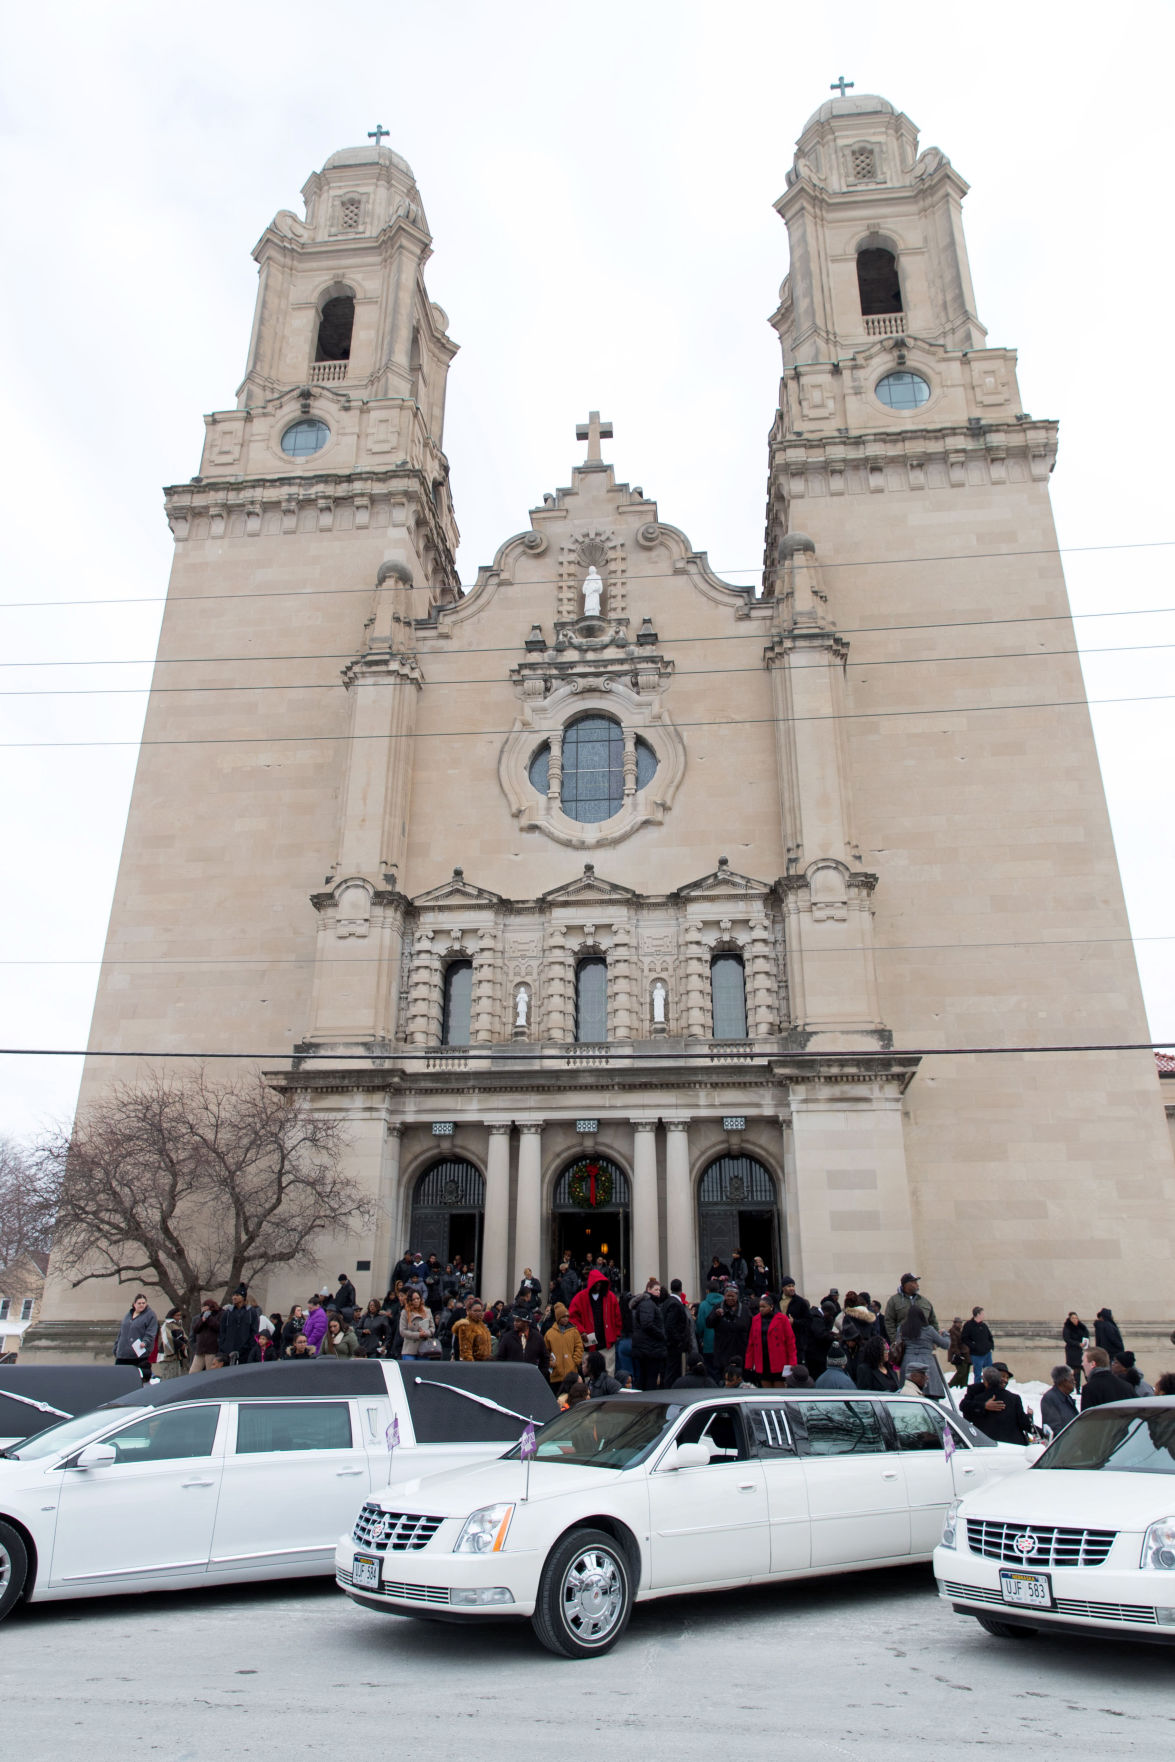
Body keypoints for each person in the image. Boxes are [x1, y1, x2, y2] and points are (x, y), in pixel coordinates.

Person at [568, 1267, 623, 1376]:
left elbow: (617, 1317)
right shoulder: (580, 1298)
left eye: (600, 1283)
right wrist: (582, 1331)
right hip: (589, 1344)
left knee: (608, 1373)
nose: (598, 1286)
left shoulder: (610, 1297)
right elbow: (573, 1317)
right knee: (590, 1374)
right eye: (596, 1283)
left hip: (606, 1344)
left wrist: (616, 1334)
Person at [961, 1366, 1031, 1444]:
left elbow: (967, 1417)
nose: (1005, 1380)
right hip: (1011, 1445)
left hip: (986, 1444)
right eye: (1003, 1376)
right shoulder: (976, 1391)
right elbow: (964, 1406)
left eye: (1007, 1378)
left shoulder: (979, 1398)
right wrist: (984, 1406)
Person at [743, 1295, 797, 1388]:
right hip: (762, 1361)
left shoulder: (782, 1319)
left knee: (779, 1388)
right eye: (760, 1307)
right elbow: (751, 1343)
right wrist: (749, 1364)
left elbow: (790, 1342)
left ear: (771, 1307)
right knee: (766, 1390)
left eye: (764, 1307)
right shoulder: (755, 1319)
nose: (761, 1309)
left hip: (779, 1360)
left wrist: (792, 1362)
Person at [899, 1305, 951, 1392]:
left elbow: (899, 1344)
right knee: (930, 1393)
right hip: (927, 1362)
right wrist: (945, 1334)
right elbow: (945, 1344)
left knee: (908, 1392)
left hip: (908, 1362)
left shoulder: (901, 1329)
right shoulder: (929, 1330)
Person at [630, 1278, 668, 1390]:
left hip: (648, 1348)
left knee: (645, 1378)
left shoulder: (648, 1304)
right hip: (650, 1349)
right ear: (648, 1289)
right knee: (649, 1379)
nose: (658, 1292)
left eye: (659, 1290)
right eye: (656, 1289)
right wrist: (662, 1335)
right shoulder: (648, 1303)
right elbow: (647, 1324)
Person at [114, 1294, 159, 1383]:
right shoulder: (128, 1315)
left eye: (143, 1303)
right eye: (139, 1303)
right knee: (119, 1378)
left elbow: (151, 1332)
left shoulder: (150, 1315)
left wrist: (145, 1342)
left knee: (136, 1379)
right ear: (134, 1304)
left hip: (138, 1354)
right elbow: (121, 1333)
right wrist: (116, 1347)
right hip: (123, 1353)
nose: (141, 1305)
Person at [884, 1273, 938, 1344]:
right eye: (914, 1282)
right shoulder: (894, 1300)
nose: (917, 1285)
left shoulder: (924, 1301)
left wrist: (934, 1342)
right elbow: (889, 1321)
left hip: (924, 1344)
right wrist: (895, 1340)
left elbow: (933, 1321)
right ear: (906, 1284)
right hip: (904, 1344)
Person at [711, 1285, 750, 1381]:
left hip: (741, 1350)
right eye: (728, 1296)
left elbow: (750, 1328)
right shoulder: (718, 1307)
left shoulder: (744, 1310)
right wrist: (716, 1315)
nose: (730, 1298)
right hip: (723, 1350)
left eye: (732, 1296)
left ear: (737, 1297)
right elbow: (709, 1323)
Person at [663, 1279, 695, 1385]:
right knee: (673, 1372)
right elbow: (670, 1325)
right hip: (674, 1345)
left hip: (672, 1344)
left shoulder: (667, 1302)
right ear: (681, 1289)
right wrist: (679, 1340)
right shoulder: (675, 1304)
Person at [544, 1304, 585, 1388]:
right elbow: (545, 1351)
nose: (566, 1319)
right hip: (556, 1375)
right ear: (558, 1318)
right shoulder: (549, 1334)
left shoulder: (574, 1331)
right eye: (563, 1317)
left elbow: (579, 1347)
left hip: (572, 1374)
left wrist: (575, 1361)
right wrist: (551, 1362)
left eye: (567, 1316)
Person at [217, 1286, 259, 1366]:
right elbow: (222, 1331)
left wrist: (249, 1347)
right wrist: (223, 1347)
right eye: (233, 1295)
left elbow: (254, 1331)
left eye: (237, 1295)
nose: (234, 1297)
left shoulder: (251, 1312)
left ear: (243, 1297)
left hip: (245, 1352)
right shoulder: (228, 1312)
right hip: (228, 1351)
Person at [696, 1279, 726, 1379]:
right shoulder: (725, 1302)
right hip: (724, 1344)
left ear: (707, 1291)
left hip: (708, 1344)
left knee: (711, 1372)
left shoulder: (703, 1305)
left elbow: (700, 1324)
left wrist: (700, 1338)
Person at [779, 1277, 812, 1363]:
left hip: (796, 1341)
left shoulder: (800, 1302)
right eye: (789, 1286)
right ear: (783, 1288)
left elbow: (808, 1321)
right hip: (780, 1340)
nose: (792, 1288)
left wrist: (794, 1322)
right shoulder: (777, 1300)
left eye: (793, 1286)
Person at [1040, 1365, 1079, 1436]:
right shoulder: (1050, 1398)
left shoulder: (1067, 1397)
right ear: (1063, 1381)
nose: (1075, 1382)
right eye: (1072, 1379)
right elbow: (1054, 1428)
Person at [399, 1288, 437, 1359]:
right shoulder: (405, 1312)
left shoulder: (427, 1311)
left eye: (418, 1298)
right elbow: (402, 1331)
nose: (416, 1301)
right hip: (409, 1349)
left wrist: (426, 1333)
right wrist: (418, 1335)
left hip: (424, 1348)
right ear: (410, 1301)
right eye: (414, 1299)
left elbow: (432, 1328)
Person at [960, 1306, 994, 1384]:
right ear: (978, 1314)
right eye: (982, 1313)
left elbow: (989, 1336)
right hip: (976, 1355)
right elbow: (964, 1338)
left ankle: (989, 1388)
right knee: (977, 1374)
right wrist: (974, 1346)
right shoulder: (969, 1325)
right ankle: (977, 1389)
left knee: (990, 1373)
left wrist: (990, 1345)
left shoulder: (984, 1325)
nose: (984, 1315)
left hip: (987, 1353)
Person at [188, 1298, 222, 1374]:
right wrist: (202, 1320)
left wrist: (209, 1318)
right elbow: (196, 1329)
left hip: (211, 1349)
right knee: (193, 1372)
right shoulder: (199, 1317)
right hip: (200, 1349)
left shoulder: (218, 1316)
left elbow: (218, 1327)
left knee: (210, 1372)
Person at [157, 1307, 188, 1379]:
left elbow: (184, 1336)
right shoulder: (166, 1325)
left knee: (176, 1378)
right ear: (172, 1316)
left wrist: (184, 1342)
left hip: (176, 1356)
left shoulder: (179, 1325)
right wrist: (181, 1344)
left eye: (180, 1315)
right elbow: (168, 1338)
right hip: (167, 1357)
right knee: (168, 1377)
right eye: (177, 1315)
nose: (179, 1317)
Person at [1063, 1312, 1091, 1390]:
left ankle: (1090, 1385)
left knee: (1086, 1369)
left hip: (1082, 1351)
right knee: (1076, 1371)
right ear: (1070, 1319)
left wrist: (1085, 1343)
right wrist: (1077, 1344)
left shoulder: (1082, 1327)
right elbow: (1067, 1339)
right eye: (1073, 1318)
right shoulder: (1067, 1327)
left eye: (1076, 1318)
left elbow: (1086, 1335)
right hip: (1073, 1352)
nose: (1075, 1320)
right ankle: (1077, 1388)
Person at [946, 1317, 971, 1389]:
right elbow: (954, 1344)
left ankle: (963, 1386)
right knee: (961, 1372)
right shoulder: (953, 1331)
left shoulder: (959, 1331)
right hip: (958, 1355)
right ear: (955, 1323)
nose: (960, 1324)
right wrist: (958, 1354)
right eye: (959, 1323)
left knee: (965, 1372)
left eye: (961, 1323)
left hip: (964, 1354)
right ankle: (950, 1385)